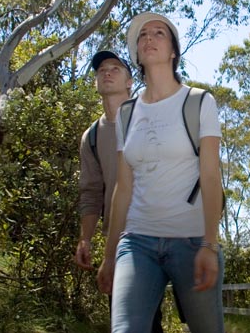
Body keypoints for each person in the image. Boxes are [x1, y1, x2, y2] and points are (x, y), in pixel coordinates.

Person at [97, 12, 225, 332]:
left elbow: (210, 177)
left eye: (159, 33)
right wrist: (109, 255)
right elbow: (123, 188)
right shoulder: (127, 113)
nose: (149, 38)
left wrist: (210, 244)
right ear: (137, 53)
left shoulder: (199, 102)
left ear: (173, 51)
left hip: (192, 241)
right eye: (142, 36)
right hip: (137, 242)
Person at [76, 50, 165, 332]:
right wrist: (86, 240)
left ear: (129, 82)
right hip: (118, 242)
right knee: (126, 320)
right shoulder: (91, 136)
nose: (107, 72)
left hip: (159, 234)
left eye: (115, 68)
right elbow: (91, 191)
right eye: (101, 69)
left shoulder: (152, 121)